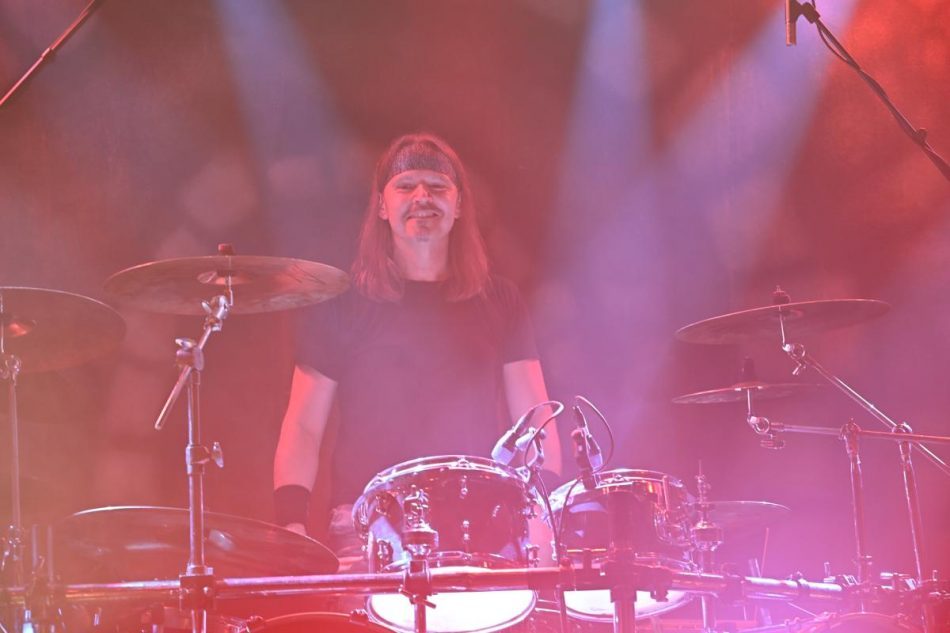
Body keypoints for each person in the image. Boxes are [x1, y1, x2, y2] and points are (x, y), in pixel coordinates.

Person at [272, 132, 561, 569]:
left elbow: (537, 419)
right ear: (382, 206)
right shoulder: (341, 304)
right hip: (367, 529)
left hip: (480, 531)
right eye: (406, 186)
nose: (422, 196)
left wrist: (541, 515)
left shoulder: (500, 300)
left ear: (458, 206)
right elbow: (303, 425)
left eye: (437, 186)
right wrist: (292, 522)